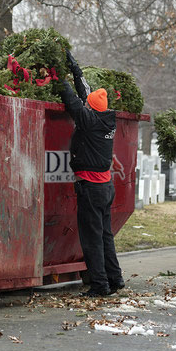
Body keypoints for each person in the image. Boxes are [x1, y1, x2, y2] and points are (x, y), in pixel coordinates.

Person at [59, 50, 123, 298]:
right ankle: (115, 279)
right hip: (105, 188)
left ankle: (100, 285)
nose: (85, 103)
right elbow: (85, 93)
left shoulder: (89, 120)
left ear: (90, 109)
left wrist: (56, 73)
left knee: (92, 238)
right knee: (106, 235)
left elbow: (72, 99)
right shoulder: (106, 118)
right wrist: (75, 70)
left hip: (91, 189)